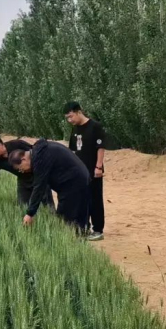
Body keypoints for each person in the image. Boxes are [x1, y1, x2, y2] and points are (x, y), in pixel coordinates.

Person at [8, 139, 90, 233]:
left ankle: (78, 235)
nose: (21, 171)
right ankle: (81, 233)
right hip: (76, 178)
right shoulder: (38, 153)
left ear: (23, 159)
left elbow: (39, 187)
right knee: (72, 213)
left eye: (20, 168)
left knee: (65, 217)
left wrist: (30, 214)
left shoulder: (39, 159)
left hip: (74, 181)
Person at [0, 135, 55, 209]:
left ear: (0, 145)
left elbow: (36, 153)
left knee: (48, 206)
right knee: (23, 207)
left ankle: (55, 220)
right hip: (23, 181)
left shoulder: (16, 145)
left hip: (38, 177)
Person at [65, 102, 106, 241]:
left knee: (95, 199)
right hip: (79, 172)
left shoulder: (95, 126)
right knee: (82, 199)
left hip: (93, 170)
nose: (70, 120)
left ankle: (98, 230)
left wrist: (98, 167)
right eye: (67, 118)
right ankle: (84, 227)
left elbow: (100, 147)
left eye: (71, 116)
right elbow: (72, 150)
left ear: (78, 112)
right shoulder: (75, 129)